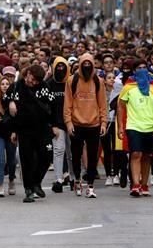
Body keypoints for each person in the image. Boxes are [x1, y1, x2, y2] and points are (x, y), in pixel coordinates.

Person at [6, 63, 55, 203]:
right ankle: (28, 189)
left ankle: (36, 182)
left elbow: (51, 106)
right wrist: (11, 103)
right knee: (27, 159)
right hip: (24, 129)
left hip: (42, 128)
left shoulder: (44, 87)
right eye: (30, 78)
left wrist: (54, 125)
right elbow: (5, 100)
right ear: (27, 74)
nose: (31, 82)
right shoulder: (17, 86)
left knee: (46, 157)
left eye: (34, 81)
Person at [118, 59, 153, 197]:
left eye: (145, 67)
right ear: (134, 71)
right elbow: (121, 105)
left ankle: (144, 184)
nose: (142, 70)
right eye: (139, 68)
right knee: (136, 154)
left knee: (146, 156)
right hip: (133, 126)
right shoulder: (129, 87)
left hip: (150, 126)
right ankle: (135, 184)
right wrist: (121, 126)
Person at [63, 52, 107, 198]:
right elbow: (67, 104)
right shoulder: (72, 80)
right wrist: (68, 123)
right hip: (76, 124)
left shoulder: (98, 81)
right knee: (75, 155)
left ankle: (91, 186)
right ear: (80, 65)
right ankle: (77, 180)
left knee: (93, 156)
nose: (87, 66)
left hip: (94, 124)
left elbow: (102, 104)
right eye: (84, 64)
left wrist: (103, 123)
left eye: (89, 64)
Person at [47, 56, 73, 193]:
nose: (61, 69)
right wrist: (52, 125)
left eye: (63, 66)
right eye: (58, 66)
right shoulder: (49, 84)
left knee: (71, 152)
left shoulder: (71, 82)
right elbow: (46, 106)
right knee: (58, 151)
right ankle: (58, 180)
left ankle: (74, 178)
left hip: (72, 123)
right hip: (57, 124)